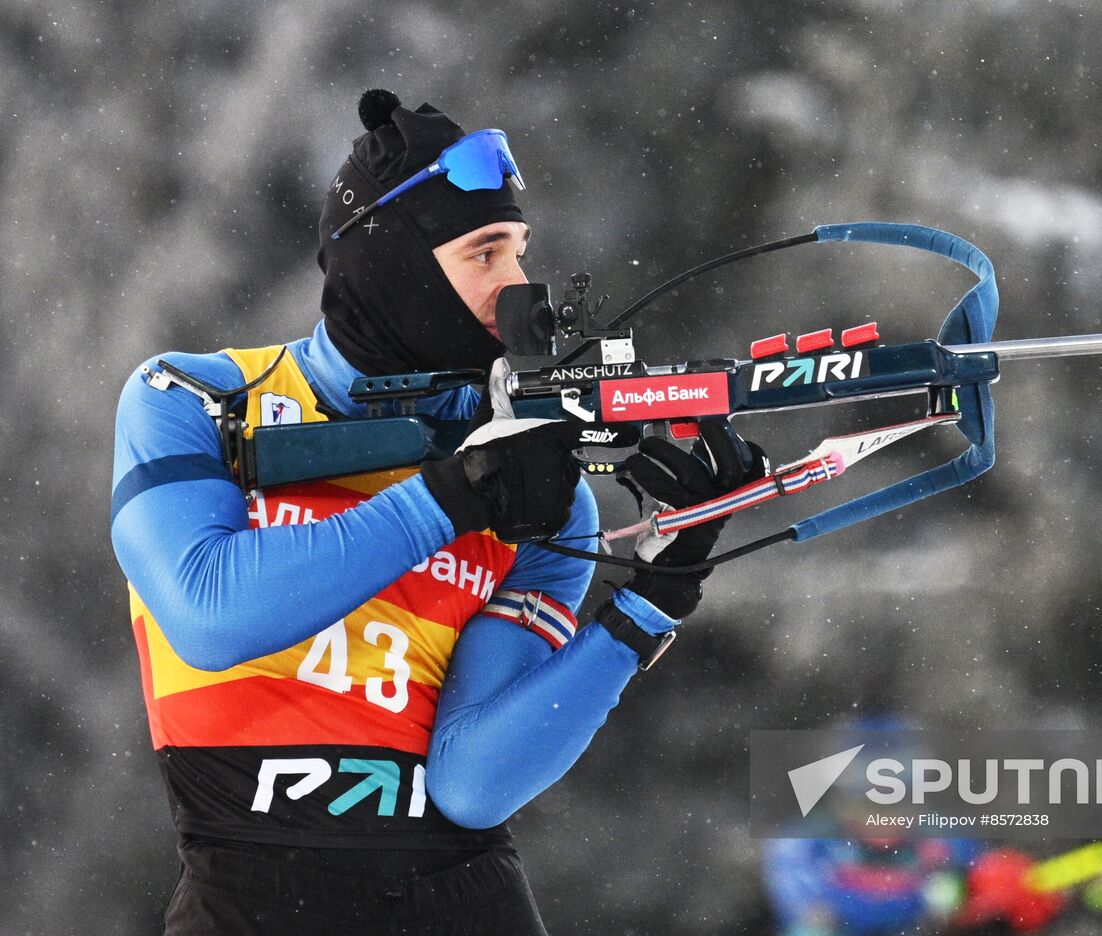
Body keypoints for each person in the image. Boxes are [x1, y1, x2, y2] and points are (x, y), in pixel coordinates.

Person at [110, 88, 752, 935]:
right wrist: (453, 495)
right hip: (247, 892)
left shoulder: (545, 498)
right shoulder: (197, 397)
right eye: (486, 253)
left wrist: (653, 602)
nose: (520, 284)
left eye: (520, 252)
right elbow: (209, 613)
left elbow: (472, 785)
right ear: (393, 263)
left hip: (462, 897)